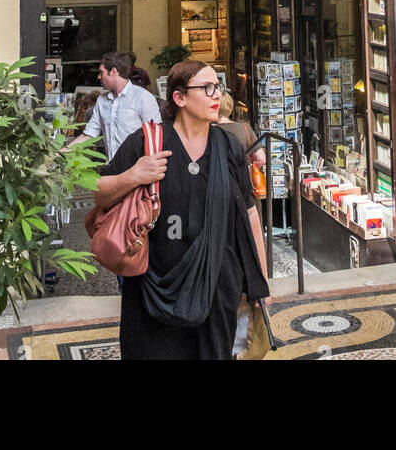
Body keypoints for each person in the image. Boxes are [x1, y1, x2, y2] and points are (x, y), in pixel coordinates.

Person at [94, 59, 270, 360]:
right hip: (153, 287)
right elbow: (99, 192)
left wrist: (260, 283)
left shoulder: (228, 146)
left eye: (218, 87)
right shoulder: (148, 143)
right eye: (207, 88)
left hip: (217, 286)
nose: (217, 95)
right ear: (180, 98)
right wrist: (134, 175)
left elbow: (249, 214)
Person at [74, 51, 161, 161]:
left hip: (137, 170)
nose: (98, 77)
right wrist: (61, 153)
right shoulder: (102, 100)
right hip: (112, 168)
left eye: (101, 72)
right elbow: (89, 134)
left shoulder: (143, 97)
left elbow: (155, 136)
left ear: (113, 72)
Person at [216, 90, 266, 167]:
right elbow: (261, 159)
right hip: (242, 175)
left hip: (217, 176)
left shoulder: (207, 130)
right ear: (230, 107)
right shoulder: (245, 127)